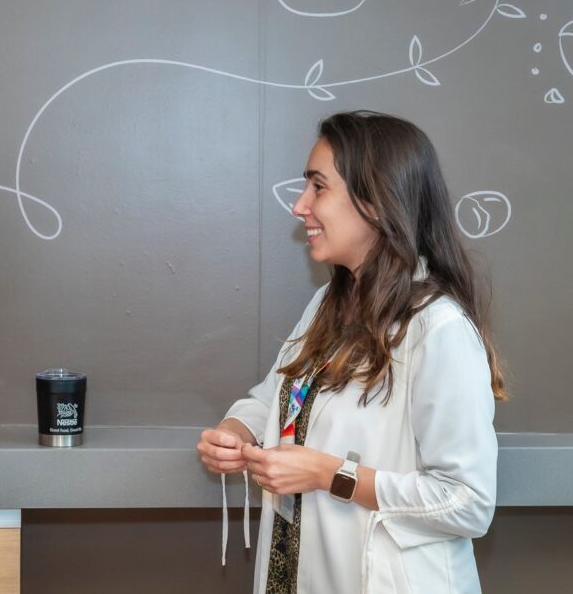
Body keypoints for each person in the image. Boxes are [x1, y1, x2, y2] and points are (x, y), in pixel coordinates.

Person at [197, 111, 505, 593]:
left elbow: (467, 502)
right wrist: (235, 432)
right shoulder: (328, 303)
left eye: (318, 187)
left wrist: (329, 475)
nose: (300, 206)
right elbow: (277, 397)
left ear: (376, 202)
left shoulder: (438, 329)